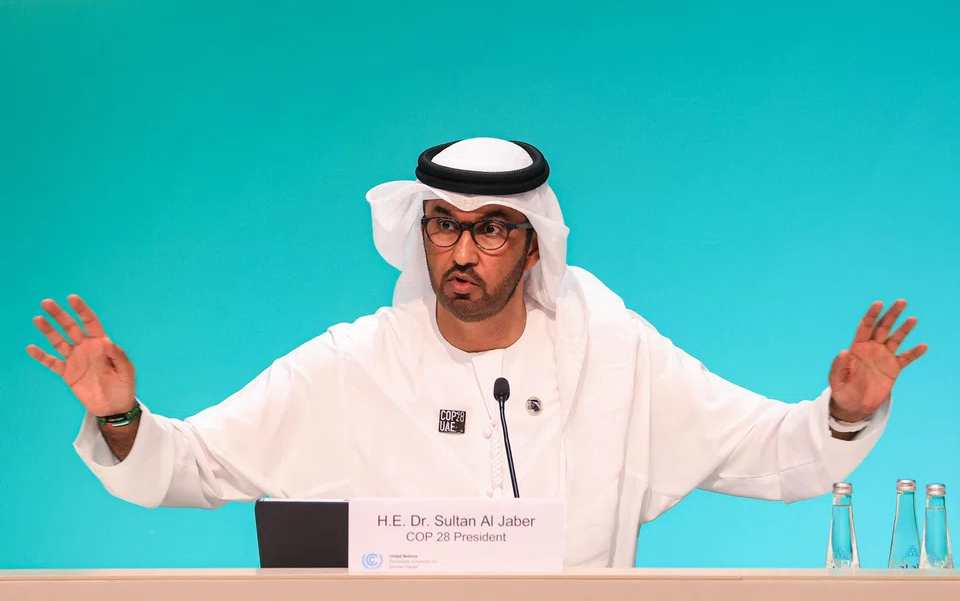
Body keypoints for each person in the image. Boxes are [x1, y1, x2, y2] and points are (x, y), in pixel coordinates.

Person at [26, 137, 928, 568]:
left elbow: (763, 449)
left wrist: (844, 414)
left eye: (493, 228)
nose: (463, 251)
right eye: (443, 226)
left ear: (534, 246)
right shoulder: (351, 365)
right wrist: (120, 415)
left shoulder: (615, 354)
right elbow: (196, 462)